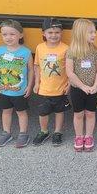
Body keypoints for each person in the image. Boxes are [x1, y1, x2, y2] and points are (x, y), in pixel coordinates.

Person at [0, 20, 33, 148]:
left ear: (20, 35)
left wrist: (30, 85)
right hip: (3, 89)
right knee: (6, 111)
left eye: (12, 34)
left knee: (21, 112)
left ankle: (23, 133)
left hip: (19, 90)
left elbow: (31, 70)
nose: (8, 37)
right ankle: (6, 132)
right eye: (4, 34)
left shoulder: (26, 52)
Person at [32, 18, 70, 147]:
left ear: (61, 33)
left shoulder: (66, 48)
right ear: (43, 33)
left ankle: (57, 132)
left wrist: (69, 84)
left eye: (57, 32)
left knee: (59, 111)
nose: (53, 35)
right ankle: (44, 131)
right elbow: (37, 66)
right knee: (43, 112)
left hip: (60, 87)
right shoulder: (40, 47)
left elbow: (70, 69)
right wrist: (36, 83)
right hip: (44, 88)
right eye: (50, 32)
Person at [66, 19, 97, 152]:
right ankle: (79, 136)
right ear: (81, 34)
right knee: (78, 114)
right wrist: (82, 86)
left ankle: (89, 136)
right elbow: (70, 72)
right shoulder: (72, 51)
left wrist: (95, 85)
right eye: (90, 32)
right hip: (77, 89)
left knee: (91, 113)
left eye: (94, 32)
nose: (94, 35)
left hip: (92, 89)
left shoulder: (96, 51)